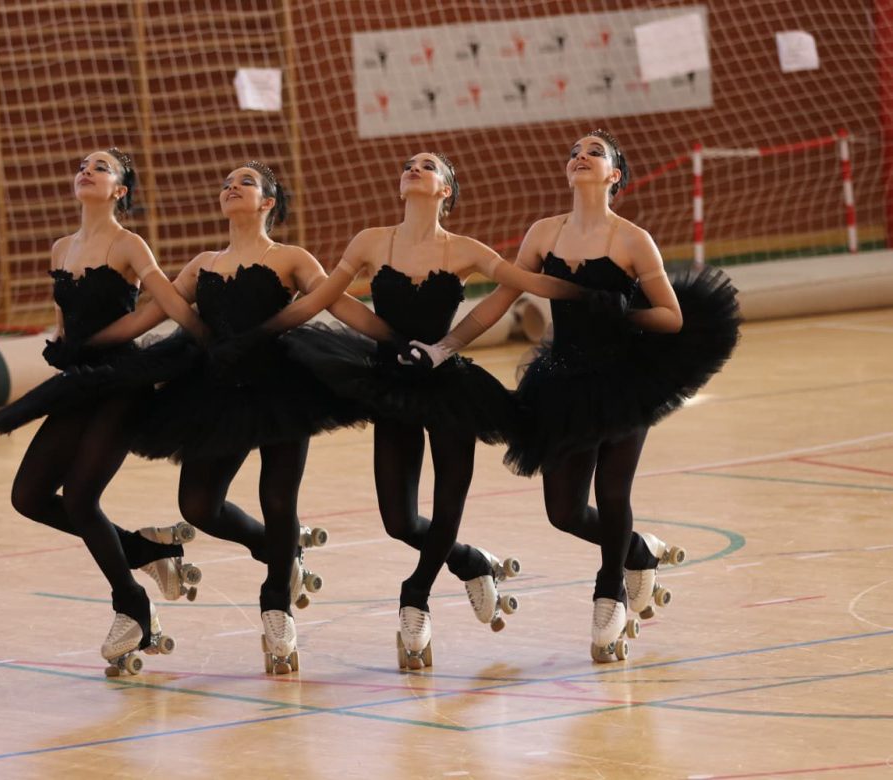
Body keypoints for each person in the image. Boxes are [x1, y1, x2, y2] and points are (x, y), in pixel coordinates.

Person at [413, 131, 740, 662]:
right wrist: (446, 345)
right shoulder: (544, 234)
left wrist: (618, 315)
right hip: (563, 380)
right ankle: (638, 551)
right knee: (563, 511)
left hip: (627, 374)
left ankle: (608, 593)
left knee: (614, 493)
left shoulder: (633, 239)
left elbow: (672, 316)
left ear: (614, 175)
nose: (581, 157)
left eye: (595, 153)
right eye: (574, 153)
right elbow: (503, 296)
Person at [259, 152, 584, 669]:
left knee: (449, 499)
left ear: (446, 191)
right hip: (391, 379)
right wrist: (270, 332)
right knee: (398, 518)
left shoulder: (465, 249)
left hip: (448, 381)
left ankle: (416, 597)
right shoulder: (370, 240)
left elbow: (518, 285)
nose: (414, 168)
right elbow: (328, 298)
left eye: (428, 166)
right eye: (409, 164)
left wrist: (588, 294)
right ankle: (473, 563)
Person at [105, 161, 369, 674]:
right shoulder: (203, 262)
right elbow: (152, 309)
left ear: (268, 202)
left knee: (278, 497)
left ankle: (276, 608)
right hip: (216, 389)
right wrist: (95, 344)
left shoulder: (291, 257)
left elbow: (336, 302)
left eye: (245, 182)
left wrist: (387, 340)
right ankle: (279, 550)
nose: (231, 188)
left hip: (283, 385)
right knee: (199, 505)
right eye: (226, 183)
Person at [0, 148, 210, 676]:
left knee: (83, 498)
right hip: (79, 383)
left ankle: (132, 605)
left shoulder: (129, 245)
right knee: (29, 496)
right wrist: (63, 346)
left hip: (122, 383)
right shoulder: (62, 248)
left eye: (101, 168)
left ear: (120, 191)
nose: (87, 170)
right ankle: (146, 550)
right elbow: (65, 322)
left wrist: (203, 342)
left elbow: (167, 303)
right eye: (82, 165)